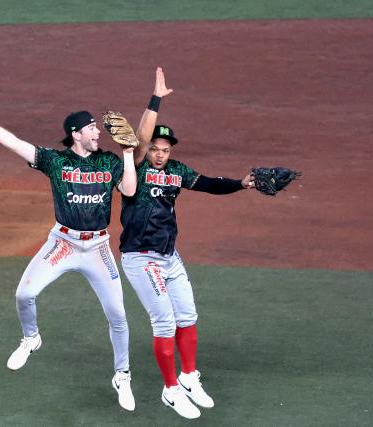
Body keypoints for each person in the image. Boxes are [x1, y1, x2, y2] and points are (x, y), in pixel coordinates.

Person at [0, 91, 138, 411]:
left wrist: (127, 152)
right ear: (76, 134)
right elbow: (14, 143)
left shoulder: (109, 161)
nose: (98, 132)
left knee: (119, 315)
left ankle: (122, 374)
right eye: (92, 128)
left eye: (98, 128)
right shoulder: (56, 161)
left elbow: (130, 190)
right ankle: (31, 339)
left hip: (98, 247)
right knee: (24, 295)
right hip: (63, 244)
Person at [119, 68, 255, 419]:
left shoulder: (177, 171)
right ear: (147, 150)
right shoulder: (136, 167)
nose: (160, 154)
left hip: (168, 256)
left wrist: (241, 183)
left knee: (188, 316)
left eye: (166, 149)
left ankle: (189, 376)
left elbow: (209, 183)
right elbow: (141, 137)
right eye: (156, 149)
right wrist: (156, 98)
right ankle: (170, 391)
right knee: (163, 322)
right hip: (140, 257)